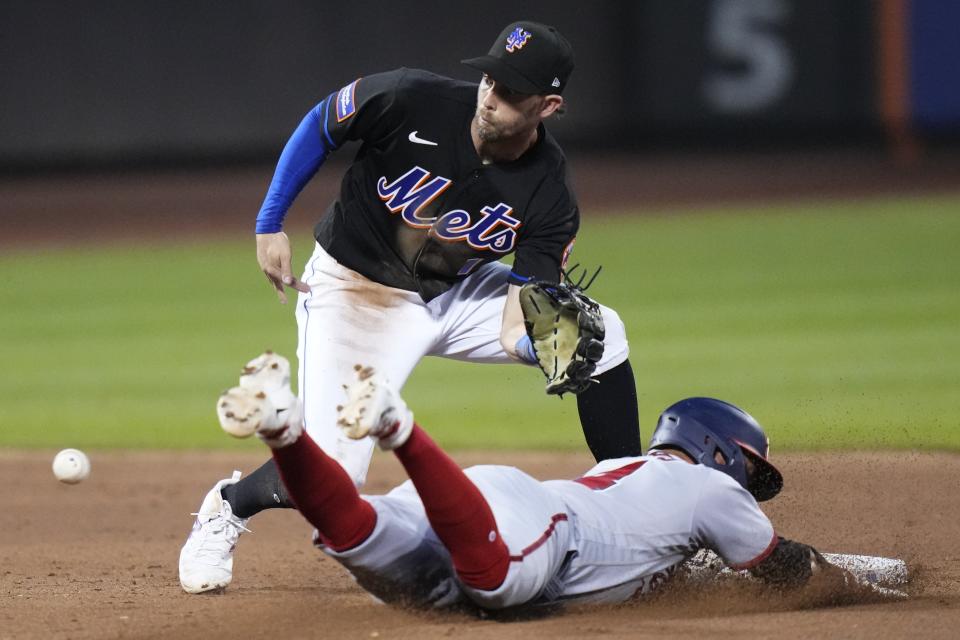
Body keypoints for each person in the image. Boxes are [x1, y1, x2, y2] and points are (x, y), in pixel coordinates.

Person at [179, 21, 642, 594]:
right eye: (490, 78)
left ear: (548, 105)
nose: (492, 95)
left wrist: (536, 344)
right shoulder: (409, 97)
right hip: (356, 290)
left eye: (512, 91)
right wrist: (269, 220)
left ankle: (638, 504)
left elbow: (522, 311)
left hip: (455, 293)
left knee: (603, 334)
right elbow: (322, 123)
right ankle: (227, 506)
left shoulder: (549, 190)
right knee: (337, 478)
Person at [210, 360, 890, 611]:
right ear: (718, 451)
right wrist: (863, 583)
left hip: (491, 504)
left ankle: (284, 428)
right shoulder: (714, 493)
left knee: (362, 539)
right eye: (749, 466)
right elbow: (785, 569)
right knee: (495, 582)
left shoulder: (625, 475)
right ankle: (398, 429)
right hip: (536, 525)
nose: (748, 480)